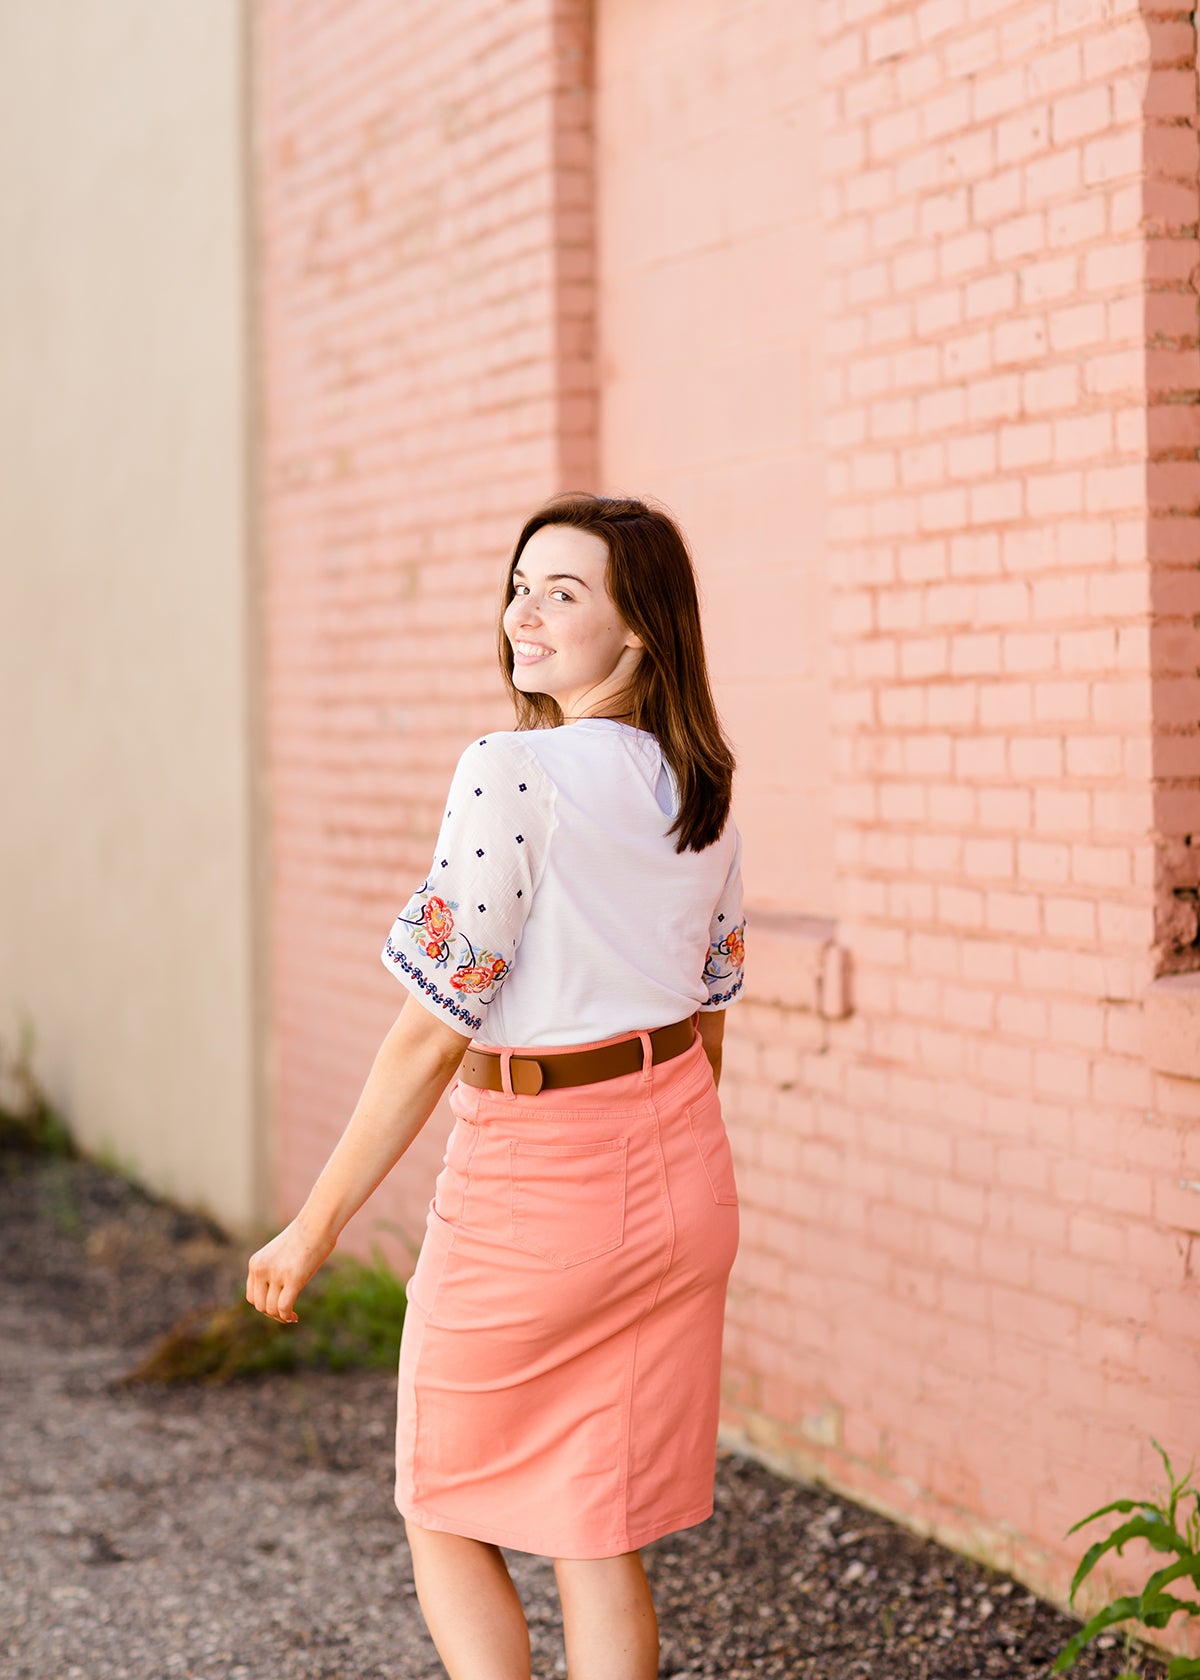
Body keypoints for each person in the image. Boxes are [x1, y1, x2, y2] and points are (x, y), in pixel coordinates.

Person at [245, 491, 747, 1680]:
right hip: (681, 1169)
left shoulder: (510, 769)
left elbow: (428, 1037)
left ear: (640, 632)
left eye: (563, 592)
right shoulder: (704, 783)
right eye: (520, 584)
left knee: (443, 1497)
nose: (524, 611)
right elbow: (710, 1018)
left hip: (538, 1180)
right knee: (594, 1520)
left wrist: (312, 1229)